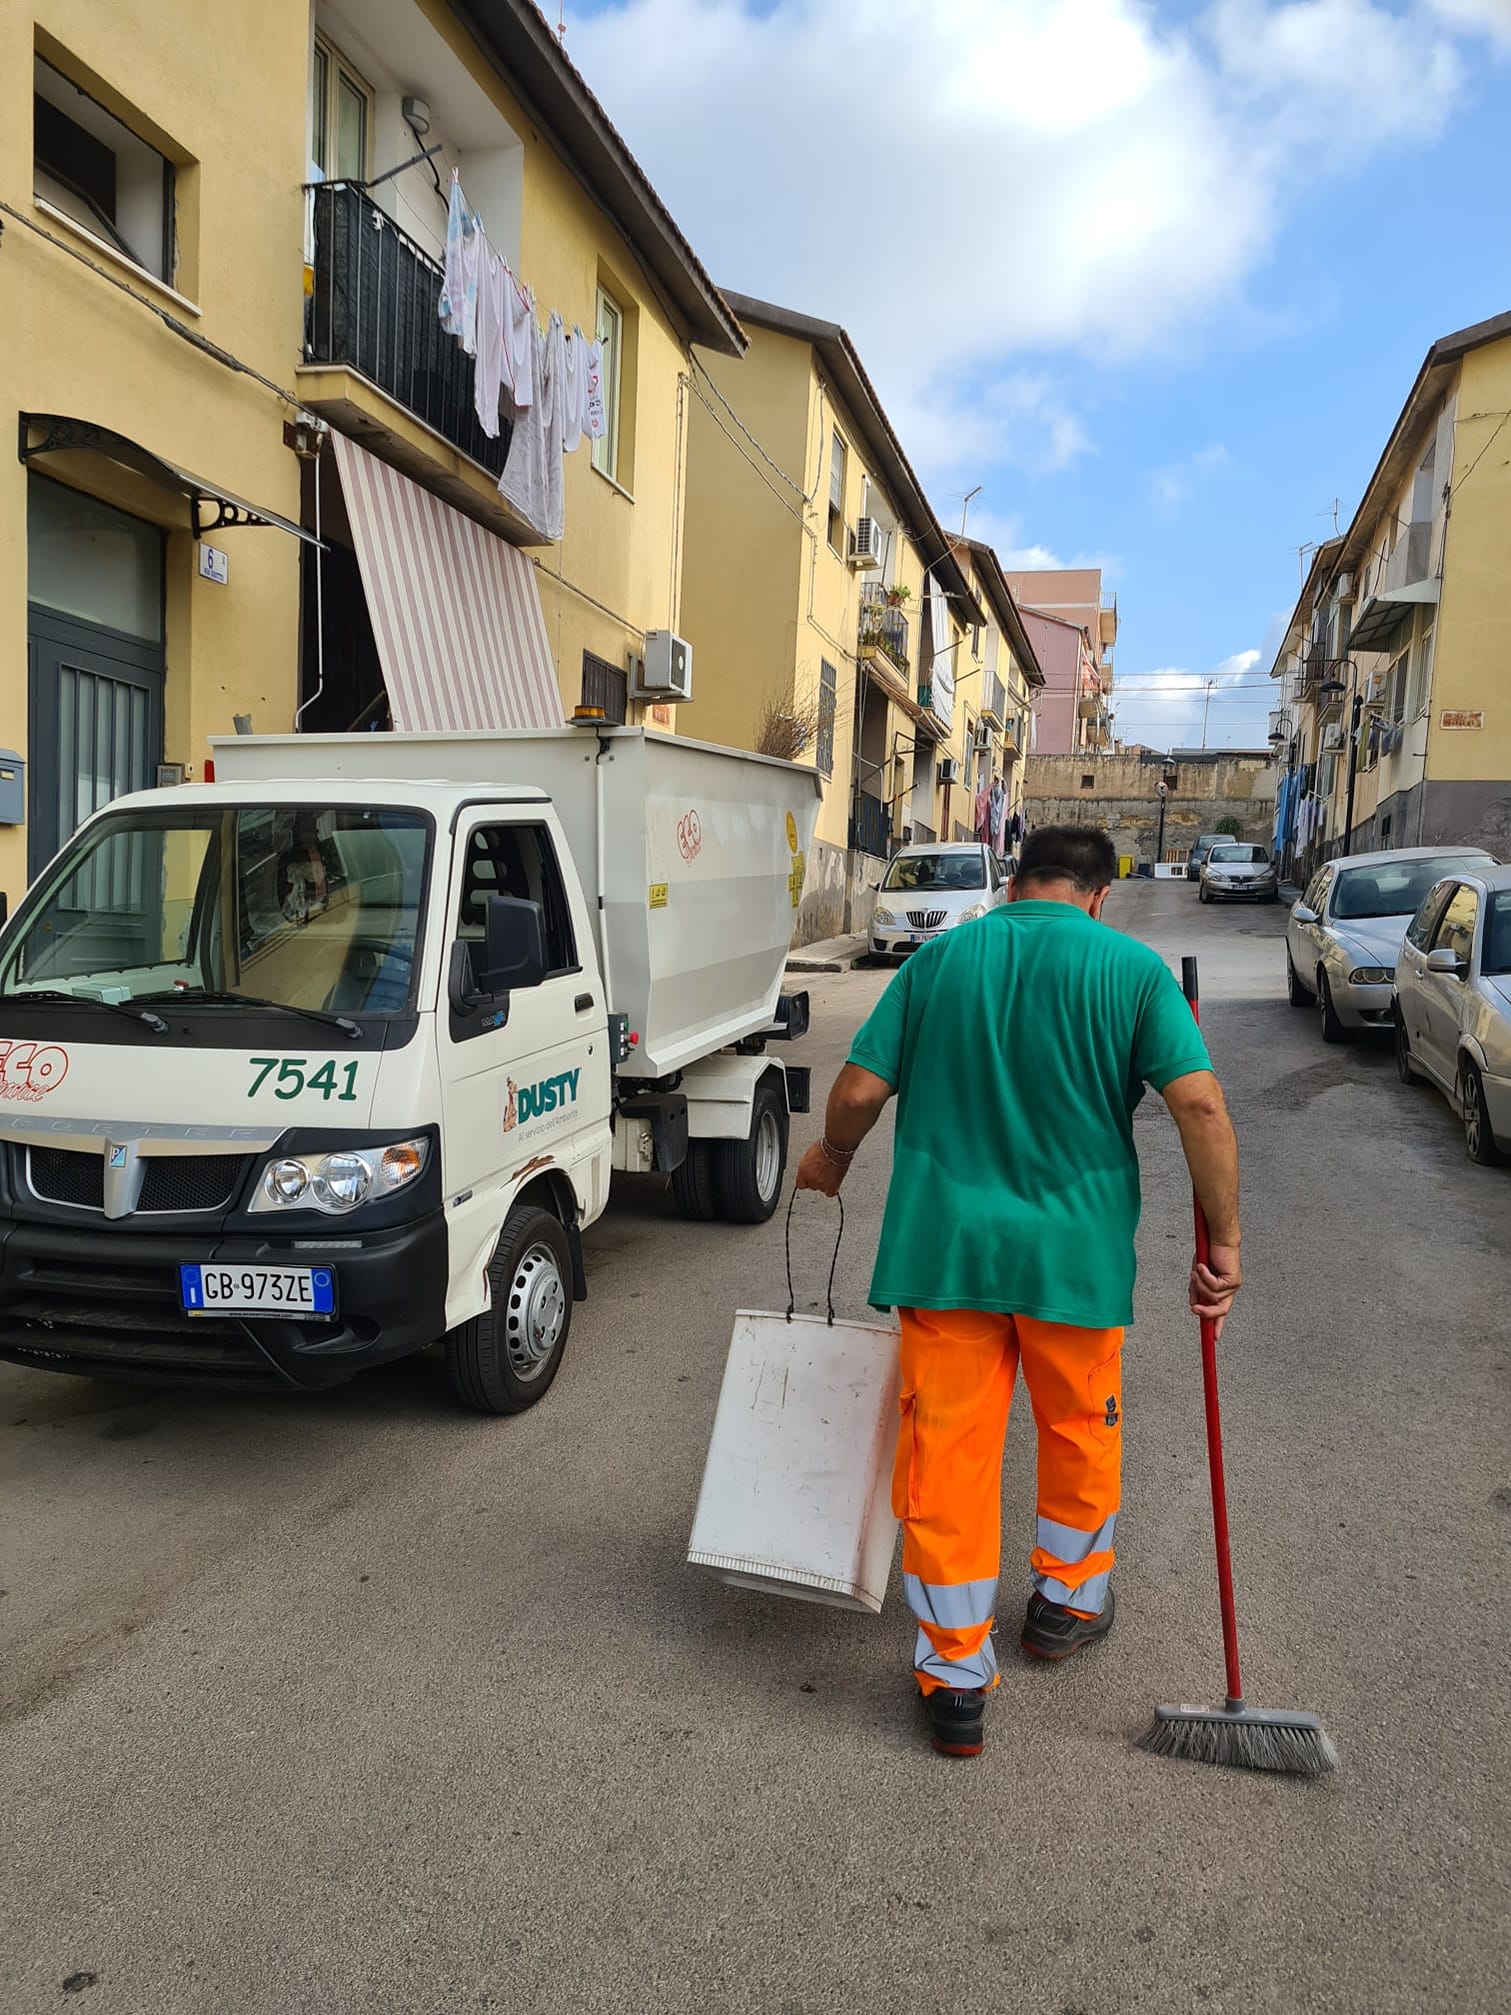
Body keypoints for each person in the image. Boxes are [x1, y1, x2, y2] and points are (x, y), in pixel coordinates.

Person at [795, 824, 1241, 1759]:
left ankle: (954, 1675)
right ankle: (1063, 1606)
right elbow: (1198, 1104)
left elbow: (859, 1090)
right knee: (1079, 1428)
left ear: (1012, 883)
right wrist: (1224, 1243)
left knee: (947, 1455)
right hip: (1073, 1262)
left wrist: (831, 1157)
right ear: (1098, 894)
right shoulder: (1131, 970)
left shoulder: (938, 962)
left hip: (946, 1257)